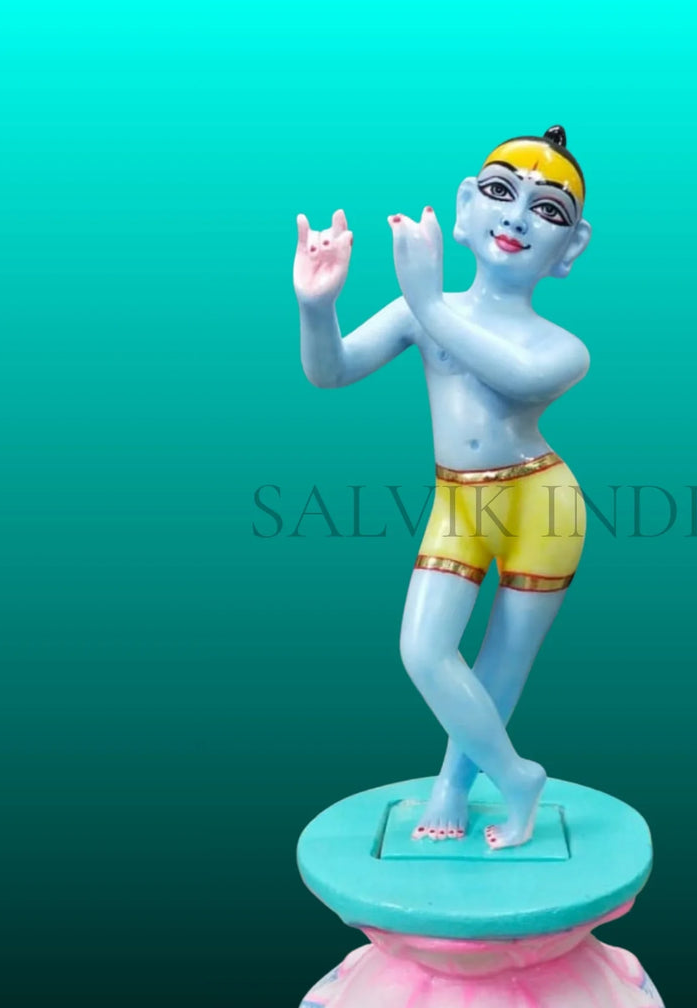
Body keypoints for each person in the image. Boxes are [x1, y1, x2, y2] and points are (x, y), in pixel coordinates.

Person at [294, 127, 592, 849]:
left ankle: (453, 786)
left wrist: (428, 303)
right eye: (500, 192)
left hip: (543, 506)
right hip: (458, 502)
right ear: (465, 206)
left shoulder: (562, 348)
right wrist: (316, 306)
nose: (517, 218)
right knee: (424, 652)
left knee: (502, 662)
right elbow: (332, 371)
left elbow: (517, 376)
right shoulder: (423, 309)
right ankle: (516, 776)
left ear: (571, 246)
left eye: (547, 210)